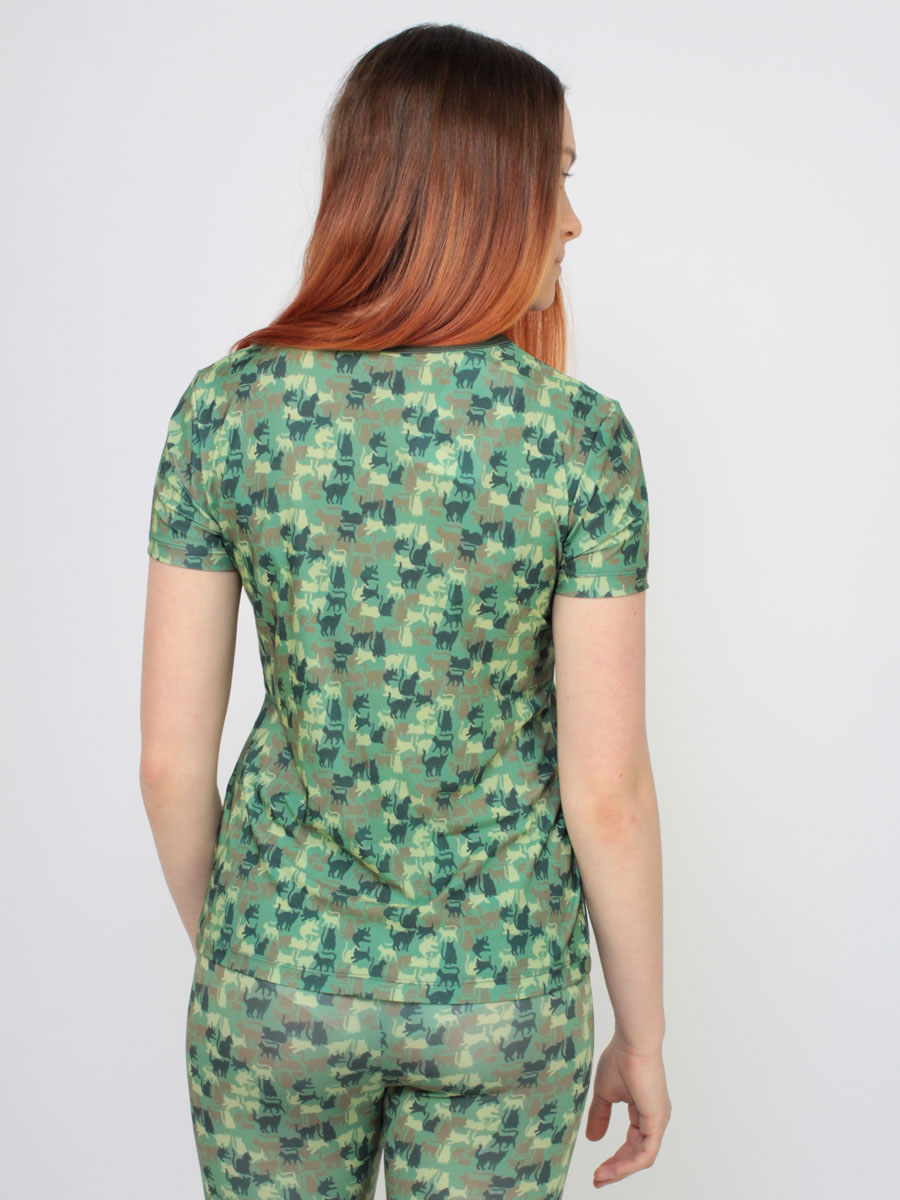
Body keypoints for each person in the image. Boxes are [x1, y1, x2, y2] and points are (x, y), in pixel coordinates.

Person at [139, 21, 671, 1200]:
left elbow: (170, 767)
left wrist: (250, 956)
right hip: (502, 998)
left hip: (272, 981)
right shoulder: (578, 441)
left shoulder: (224, 411)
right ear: (484, 193)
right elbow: (607, 793)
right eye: (558, 179)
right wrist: (642, 1036)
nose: (573, 221)